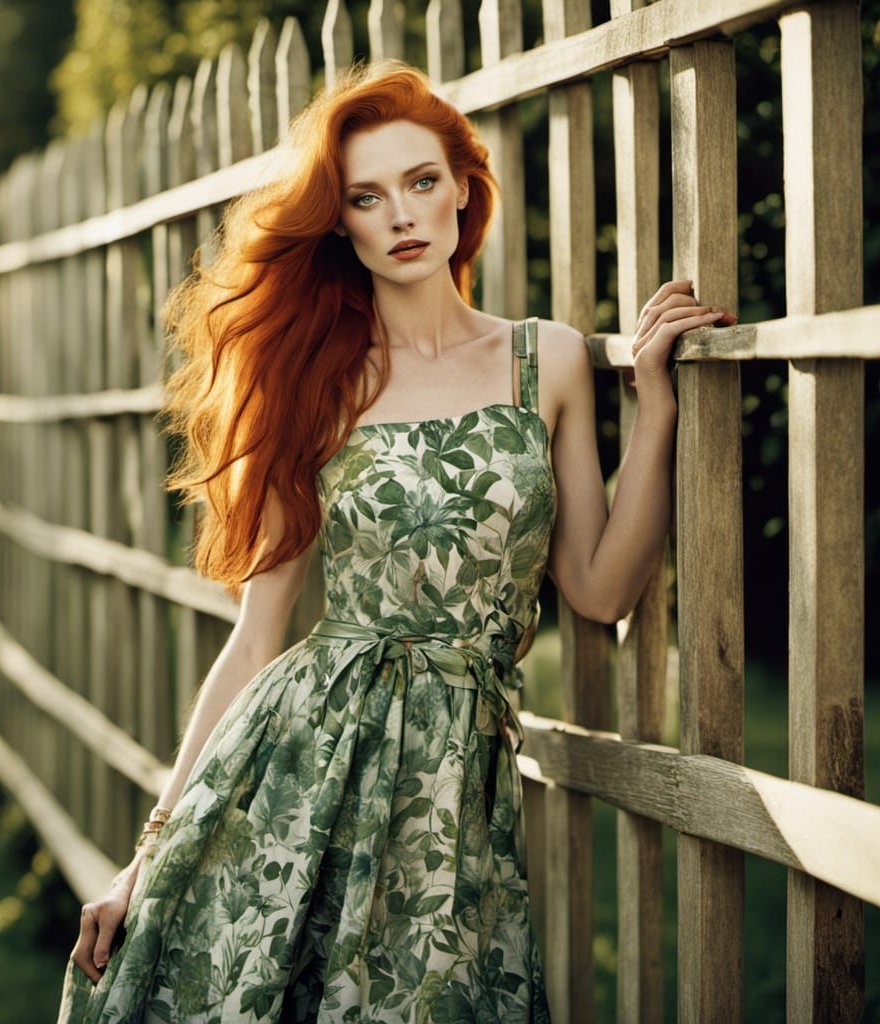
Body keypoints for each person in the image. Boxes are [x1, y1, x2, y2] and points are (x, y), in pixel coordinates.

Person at [56, 57, 736, 1024]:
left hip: (455, 780)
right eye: (368, 197)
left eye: (422, 182)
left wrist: (657, 408)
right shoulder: (316, 381)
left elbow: (598, 587)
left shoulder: (545, 359)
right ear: (340, 221)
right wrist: (145, 853)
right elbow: (257, 639)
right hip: (301, 768)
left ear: (465, 185)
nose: (403, 215)